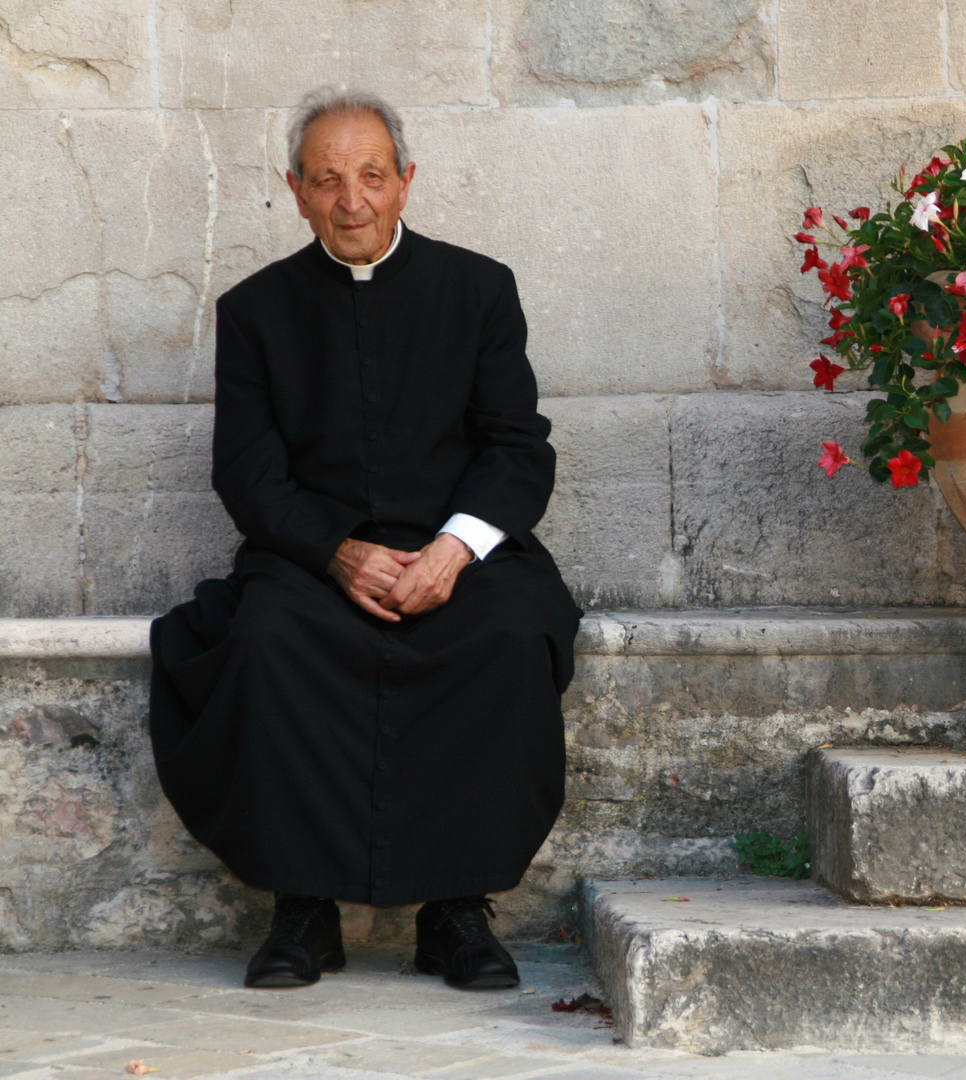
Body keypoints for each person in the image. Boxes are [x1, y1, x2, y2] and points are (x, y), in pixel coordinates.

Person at [148, 87, 582, 991]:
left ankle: (454, 912)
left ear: (407, 182)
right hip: (312, 553)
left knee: (504, 636)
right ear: (296, 192)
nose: (353, 201)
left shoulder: (479, 289)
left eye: (372, 176)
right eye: (329, 180)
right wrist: (338, 552)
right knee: (267, 640)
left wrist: (455, 550)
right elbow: (248, 474)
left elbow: (517, 446)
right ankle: (303, 910)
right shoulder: (256, 311)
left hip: (455, 550)